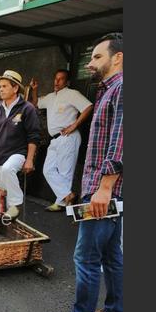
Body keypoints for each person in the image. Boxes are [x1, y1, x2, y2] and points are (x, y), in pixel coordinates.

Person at [41, 32, 123, 312]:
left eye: (98, 57)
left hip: (104, 190)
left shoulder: (121, 88)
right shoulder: (110, 90)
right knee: (112, 255)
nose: (91, 63)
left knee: (86, 258)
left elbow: (121, 142)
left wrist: (104, 188)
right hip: (109, 190)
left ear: (118, 58)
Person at [30, 70, 94, 211]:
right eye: (55, 78)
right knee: (48, 170)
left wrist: (74, 125)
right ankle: (68, 196)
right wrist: (35, 90)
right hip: (54, 139)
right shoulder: (51, 97)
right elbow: (35, 103)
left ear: (67, 82)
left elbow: (88, 107)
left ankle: (62, 203)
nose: (56, 82)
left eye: (61, 79)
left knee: (65, 173)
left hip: (68, 137)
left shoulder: (72, 94)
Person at [0, 70, 40, 219]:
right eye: (0, 86)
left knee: (8, 169)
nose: (1, 89)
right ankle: (8, 220)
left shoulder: (27, 108)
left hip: (18, 153)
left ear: (15, 88)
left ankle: (16, 204)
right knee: (2, 192)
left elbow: (34, 136)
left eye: (5, 86)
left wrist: (29, 159)